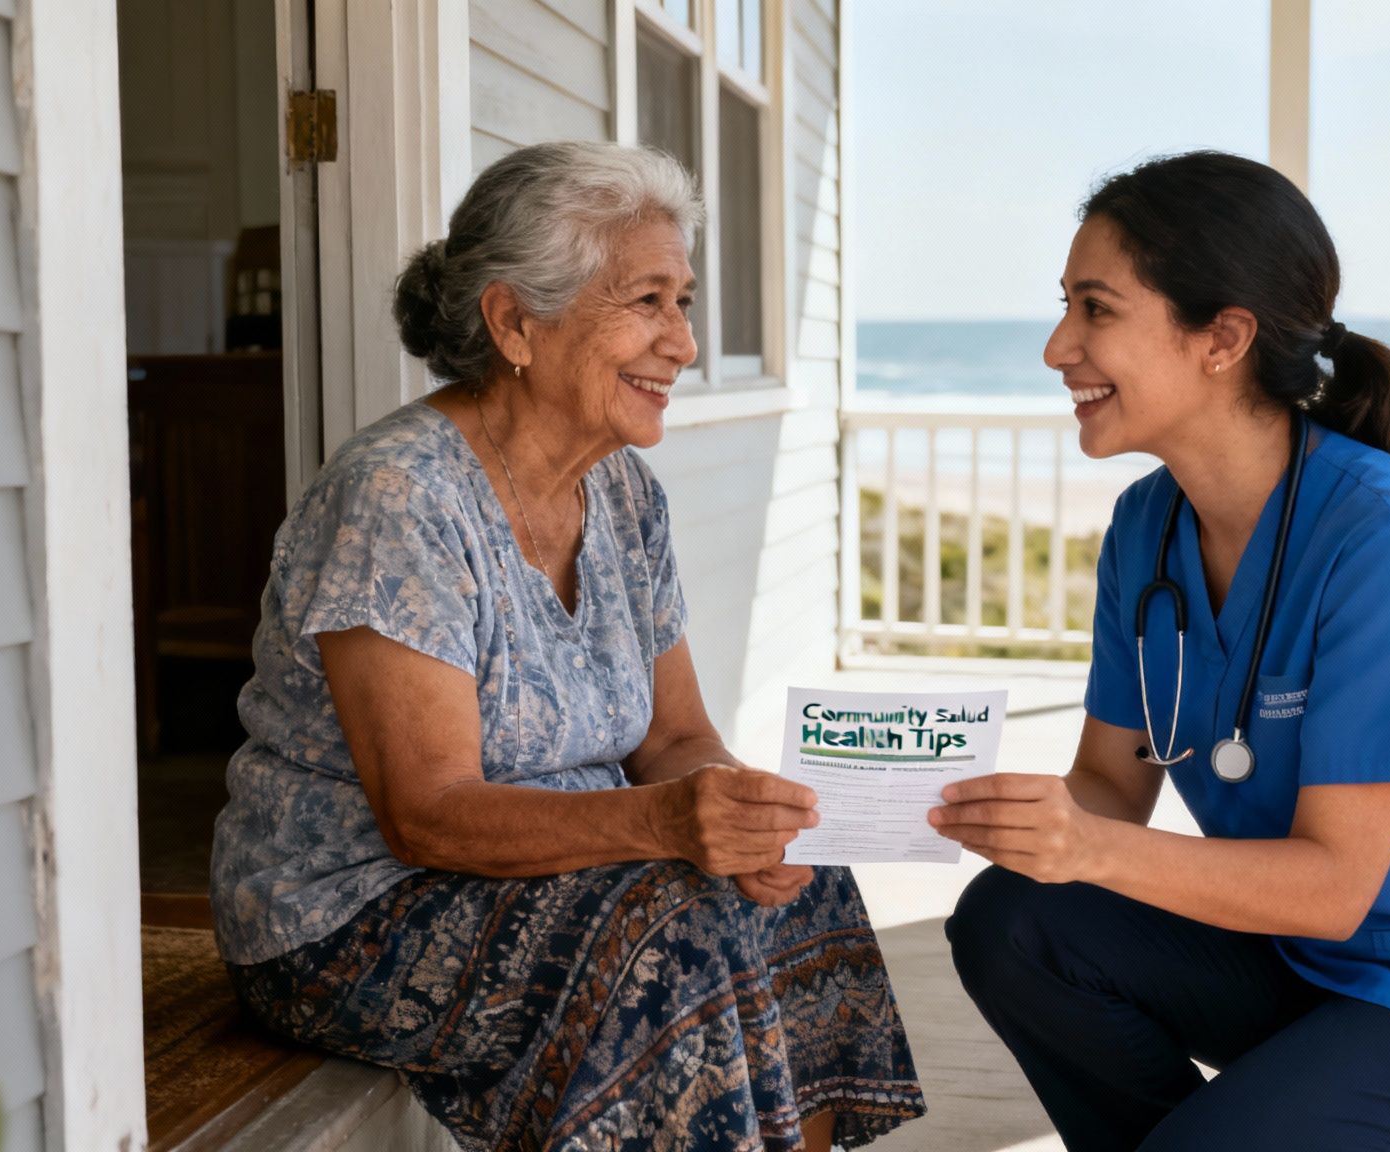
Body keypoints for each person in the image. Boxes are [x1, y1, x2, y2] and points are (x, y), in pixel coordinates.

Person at [209, 140, 924, 1151]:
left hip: (565, 868)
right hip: (354, 913)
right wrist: (673, 822)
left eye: (682, 302)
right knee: (672, 935)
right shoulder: (401, 496)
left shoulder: (623, 491)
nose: (680, 342)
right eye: (646, 302)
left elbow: (675, 742)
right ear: (514, 322)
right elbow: (427, 818)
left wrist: (749, 813)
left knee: (802, 889)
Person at [935, 151, 1390, 1152]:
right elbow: (1108, 792)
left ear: (1222, 338)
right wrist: (919, 798)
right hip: (1304, 962)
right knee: (1012, 922)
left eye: (1094, 308)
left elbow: (1335, 883)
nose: (1055, 346)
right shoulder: (1146, 529)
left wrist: (1088, 845)